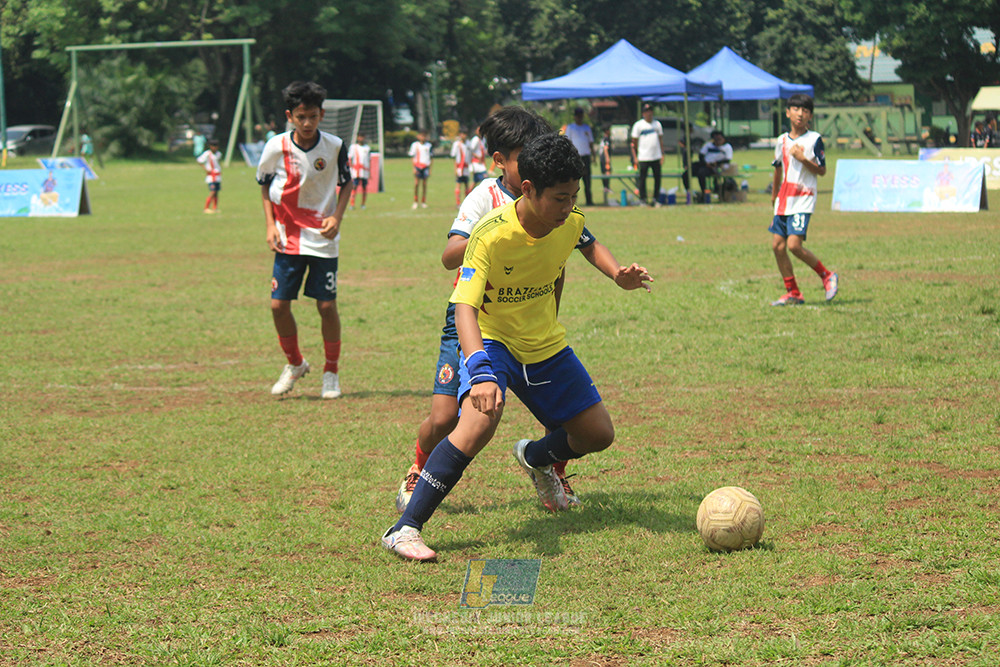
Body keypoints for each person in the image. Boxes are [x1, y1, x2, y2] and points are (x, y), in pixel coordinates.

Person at [381, 133, 653, 561]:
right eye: (560, 198)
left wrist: (617, 273)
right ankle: (404, 528)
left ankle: (535, 456)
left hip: (544, 343)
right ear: (528, 189)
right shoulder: (490, 235)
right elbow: (465, 309)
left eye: (573, 197)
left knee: (598, 434)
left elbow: (588, 243)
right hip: (493, 341)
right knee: (477, 423)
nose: (568, 208)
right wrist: (482, 368)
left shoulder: (570, 221)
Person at [394, 106, 560, 514]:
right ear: (499, 160)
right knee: (445, 416)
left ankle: (548, 468)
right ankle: (418, 467)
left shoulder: (547, 195)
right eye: (523, 154)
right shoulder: (484, 197)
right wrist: (491, 238)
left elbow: (565, 257)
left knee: (563, 408)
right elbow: (450, 254)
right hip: (472, 319)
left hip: (525, 319)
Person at [256, 81, 353, 399]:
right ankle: (295, 363)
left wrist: (336, 218)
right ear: (290, 116)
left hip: (323, 238)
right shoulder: (275, 147)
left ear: (322, 114)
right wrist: (270, 225)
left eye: (313, 116)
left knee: (326, 305)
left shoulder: (335, 145)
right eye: (301, 117)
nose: (307, 123)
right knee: (278, 305)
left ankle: (331, 372)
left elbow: (347, 183)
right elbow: (265, 185)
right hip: (288, 238)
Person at [769, 93, 838, 307]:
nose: (801, 114)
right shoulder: (781, 140)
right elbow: (778, 169)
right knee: (778, 246)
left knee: (793, 245)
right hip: (784, 200)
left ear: (810, 116)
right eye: (796, 109)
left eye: (806, 111)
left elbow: (822, 171)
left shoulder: (814, 139)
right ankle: (793, 292)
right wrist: (774, 195)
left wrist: (802, 159)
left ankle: (827, 275)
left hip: (803, 198)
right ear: (788, 112)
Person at [630, 103, 664, 206]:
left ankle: (656, 199)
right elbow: (634, 142)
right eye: (647, 111)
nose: (649, 113)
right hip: (643, 156)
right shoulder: (639, 125)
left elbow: (660, 140)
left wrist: (662, 154)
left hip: (656, 156)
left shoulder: (657, 124)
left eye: (650, 111)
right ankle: (643, 199)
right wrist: (635, 156)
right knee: (642, 179)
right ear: (643, 113)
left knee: (657, 178)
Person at [564, 107, 595, 206]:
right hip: (575, 157)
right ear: (575, 117)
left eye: (581, 116)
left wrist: (593, 155)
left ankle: (589, 200)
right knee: (574, 181)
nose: (579, 118)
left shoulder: (586, 128)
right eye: (578, 116)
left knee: (587, 180)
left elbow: (591, 142)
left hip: (586, 156)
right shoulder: (571, 128)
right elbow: (567, 142)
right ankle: (572, 201)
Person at [693, 130, 733, 201]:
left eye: (719, 139)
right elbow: (701, 155)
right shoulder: (708, 145)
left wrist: (715, 163)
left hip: (716, 167)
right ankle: (690, 192)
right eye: (715, 139)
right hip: (705, 164)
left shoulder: (727, 147)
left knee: (701, 173)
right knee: (688, 172)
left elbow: (727, 159)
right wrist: (705, 163)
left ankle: (704, 193)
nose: (717, 141)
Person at [196, 139, 222, 214]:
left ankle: (215, 207)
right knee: (212, 191)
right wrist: (206, 169)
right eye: (213, 146)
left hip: (218, 175)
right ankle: (206, 208)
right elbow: (199, 161)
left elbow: (219, 162)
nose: (215, 148)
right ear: (210, 146)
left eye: (216, 146)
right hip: (211, 176)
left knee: (216, 192)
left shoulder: (219, 154)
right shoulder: (207, 154)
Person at [409, 131, 433, 209]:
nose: (423, 138)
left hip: (425, 166)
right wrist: (413, 168)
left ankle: (423, 201)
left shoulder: (429, 146)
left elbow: (431, 158)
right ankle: (415, 201)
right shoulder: (415, 145)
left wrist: (430, 169)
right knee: (416, 184)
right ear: (418, 136)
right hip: (417, 166)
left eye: (424, 136)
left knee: (424, 184)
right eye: (421, 136)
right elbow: (412, 156)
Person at [348, 132, 371, 209]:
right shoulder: (353, 147)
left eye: (362, 137)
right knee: (354, 186)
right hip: (356, 171)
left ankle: (363, 204)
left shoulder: (367, 148)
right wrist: (351, 169)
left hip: (364, 171)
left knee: (364, 187)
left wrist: (369, 171)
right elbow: (350, 158)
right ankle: (352, 204)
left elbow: (369, 160)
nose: (361, 138)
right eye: (360, 137)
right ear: (357, 137)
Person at [450, 129, 471, 206]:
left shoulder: (468, 144)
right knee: (458, 184)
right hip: (459, 167)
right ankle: (458, 202)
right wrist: (455, 169)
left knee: (466, 185)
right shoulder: (457, 144)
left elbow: (470, 155)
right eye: (462, 134)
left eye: (465, 134)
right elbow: (454, 157)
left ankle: (466, 203)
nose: (463, 136)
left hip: (466, 167)